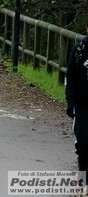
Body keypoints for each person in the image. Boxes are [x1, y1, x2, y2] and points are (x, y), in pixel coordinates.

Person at [66, 20, 88, 184]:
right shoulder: (79, 50)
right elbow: (71, 77)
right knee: (83, 143)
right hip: (82, 105)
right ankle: (82, 175)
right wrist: (71, 102)